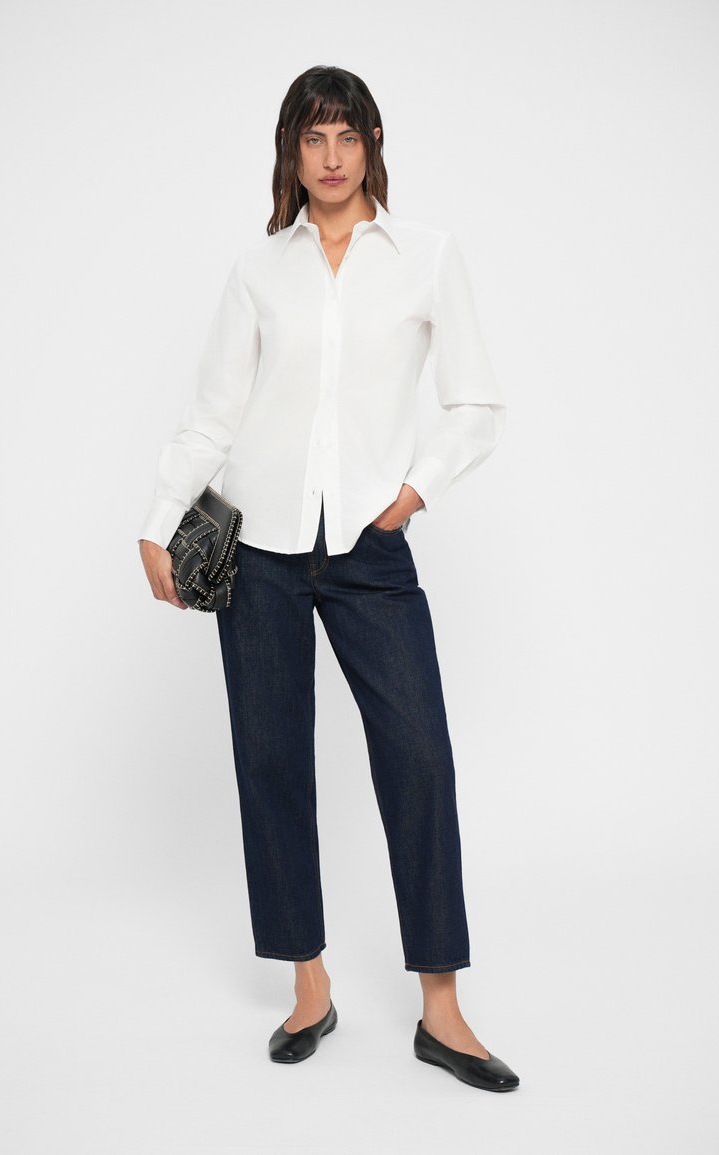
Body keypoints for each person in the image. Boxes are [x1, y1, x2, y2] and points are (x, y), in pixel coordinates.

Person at [138, 65, 519, 1092]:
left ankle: (441, 1010)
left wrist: (413, 490)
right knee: (271, 761)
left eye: (347, 134)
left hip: (367, 547)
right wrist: (157, 520)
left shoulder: (426, 257)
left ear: (373, 143)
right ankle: (309, 985)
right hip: (257, 550)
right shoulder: (258, 269)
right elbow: (213, 413)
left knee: (419, 758)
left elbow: (475, 403)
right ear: (291, 152)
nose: (332, 155)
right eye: (314, 137)